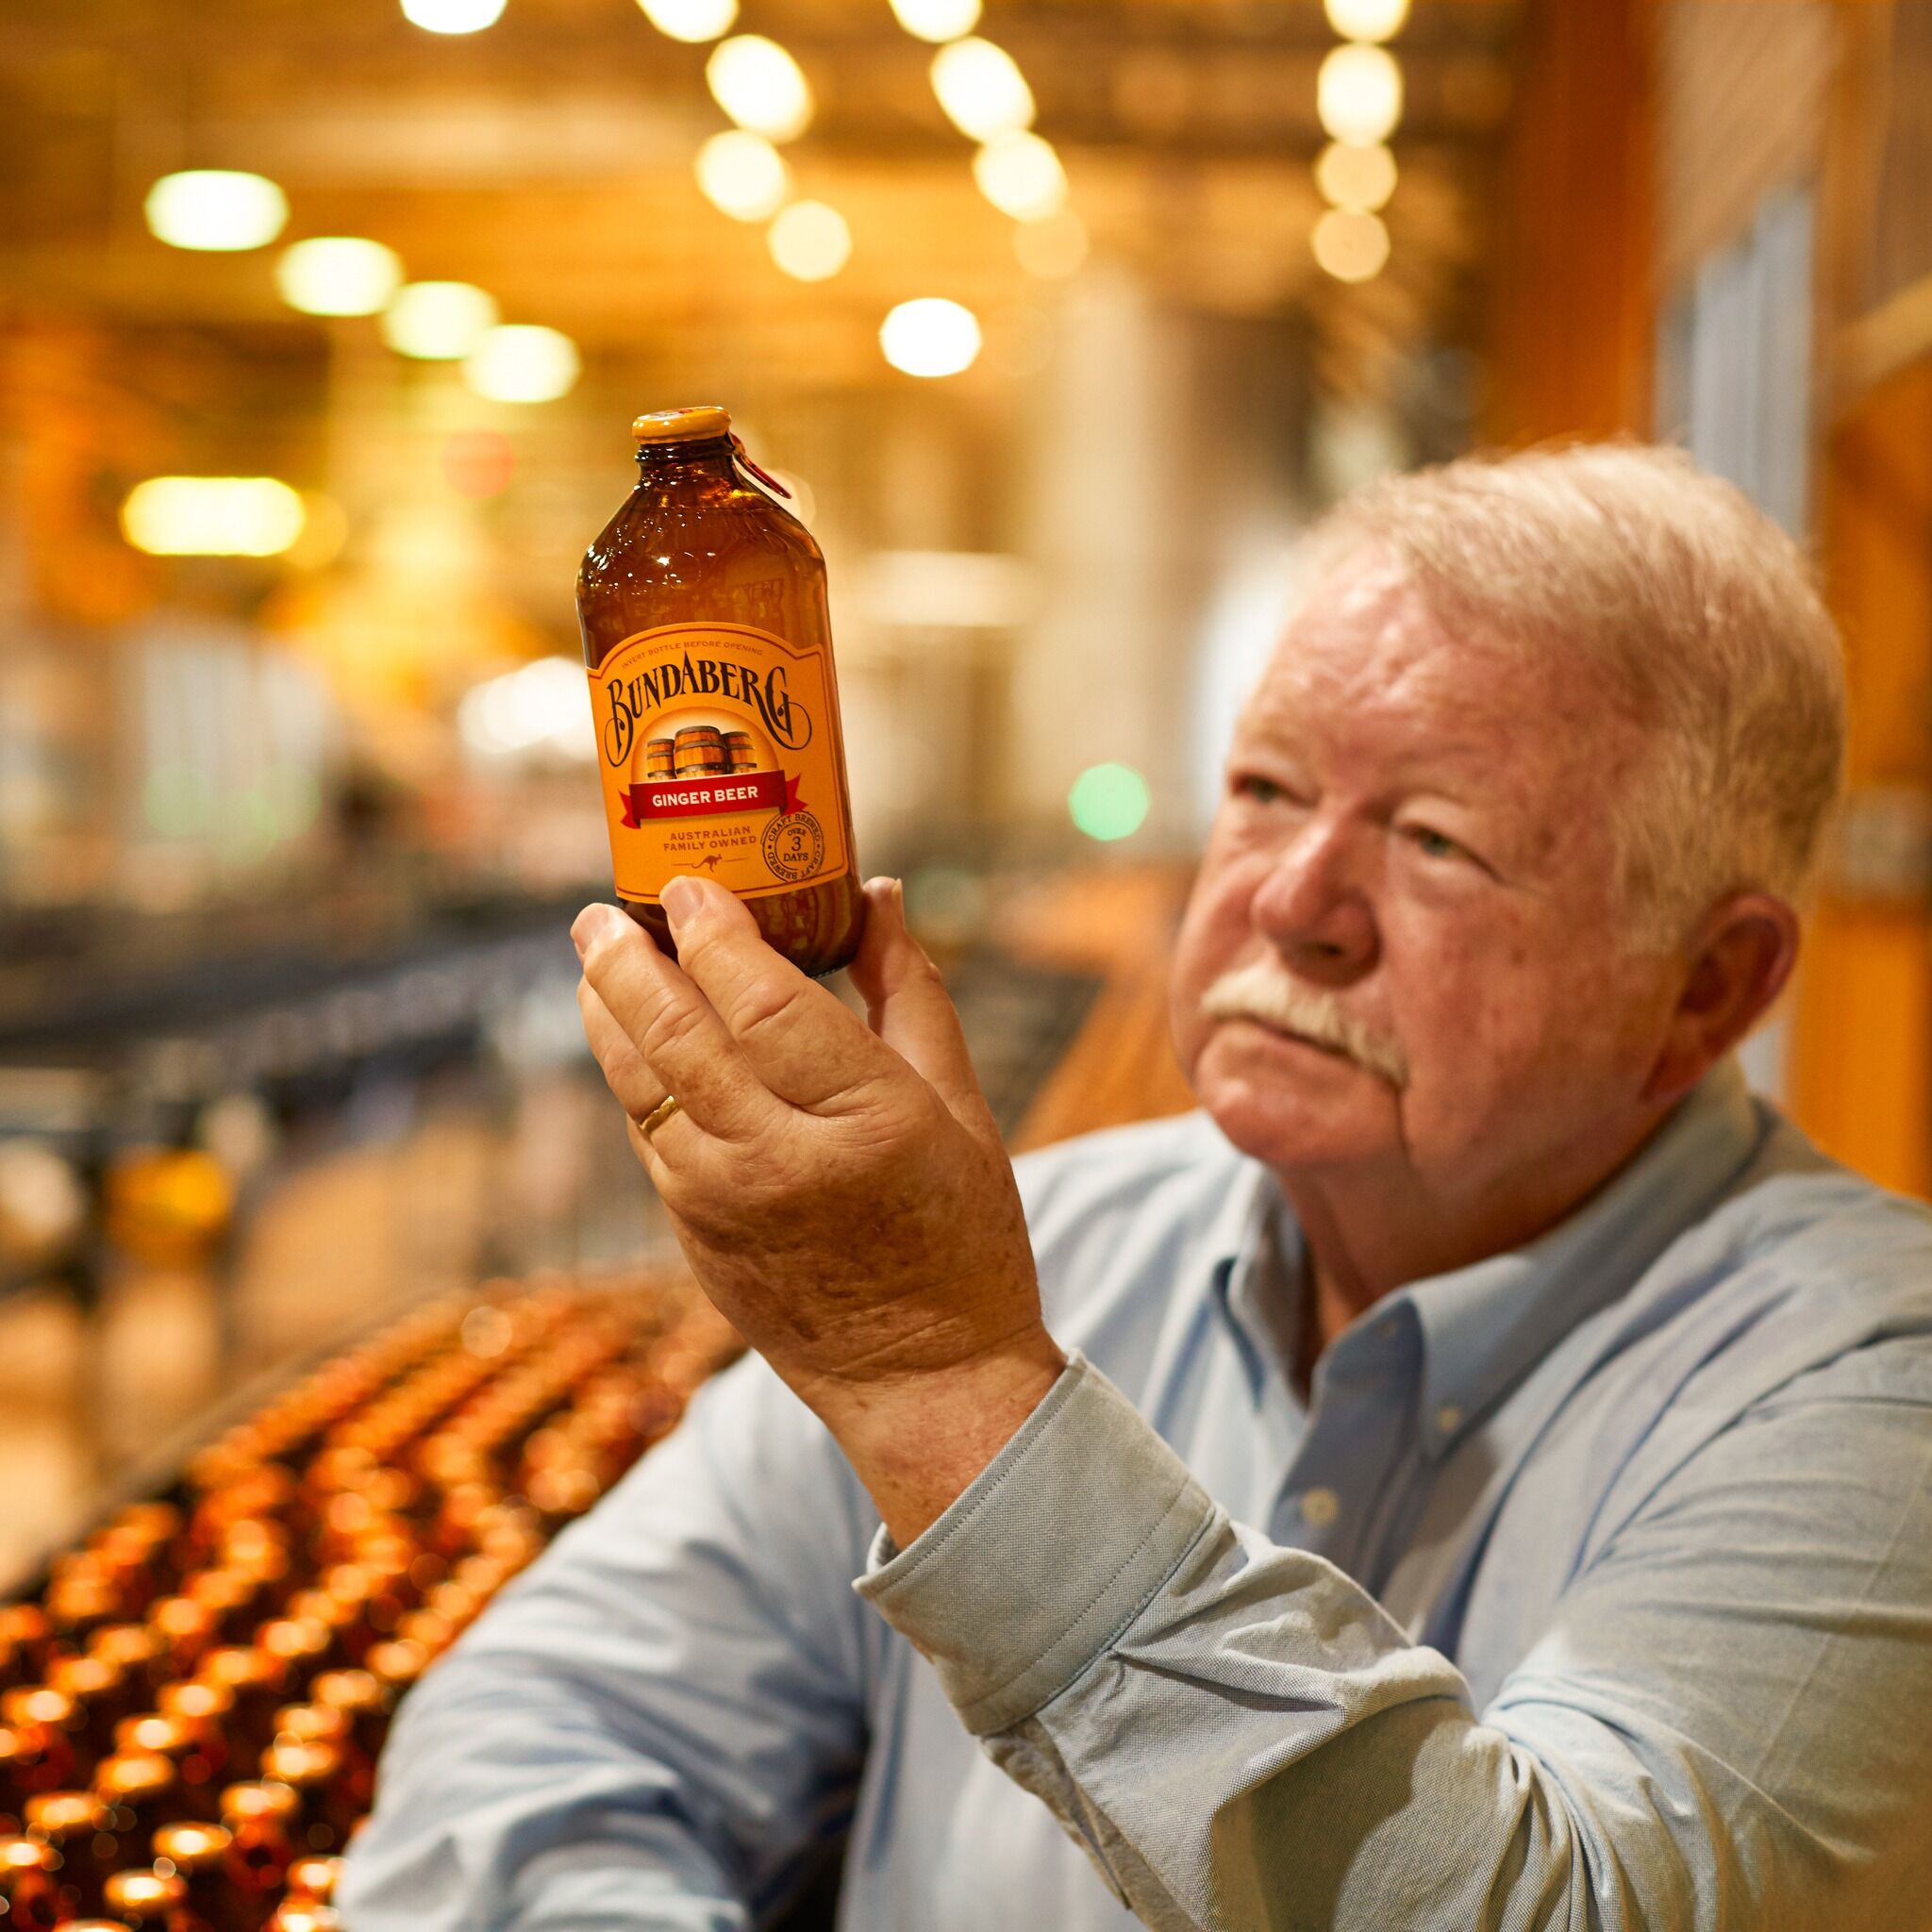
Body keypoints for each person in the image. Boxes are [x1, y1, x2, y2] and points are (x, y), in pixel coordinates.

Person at [340, 446, 1932, 1931]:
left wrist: (950, 1387)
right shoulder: (1070, 1234)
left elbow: (1559, 1902)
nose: (1293, 901)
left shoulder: (1872, 1385)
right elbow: (534, 1732)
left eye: (1438, 842)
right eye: (1264, 792)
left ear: (1708, 990)